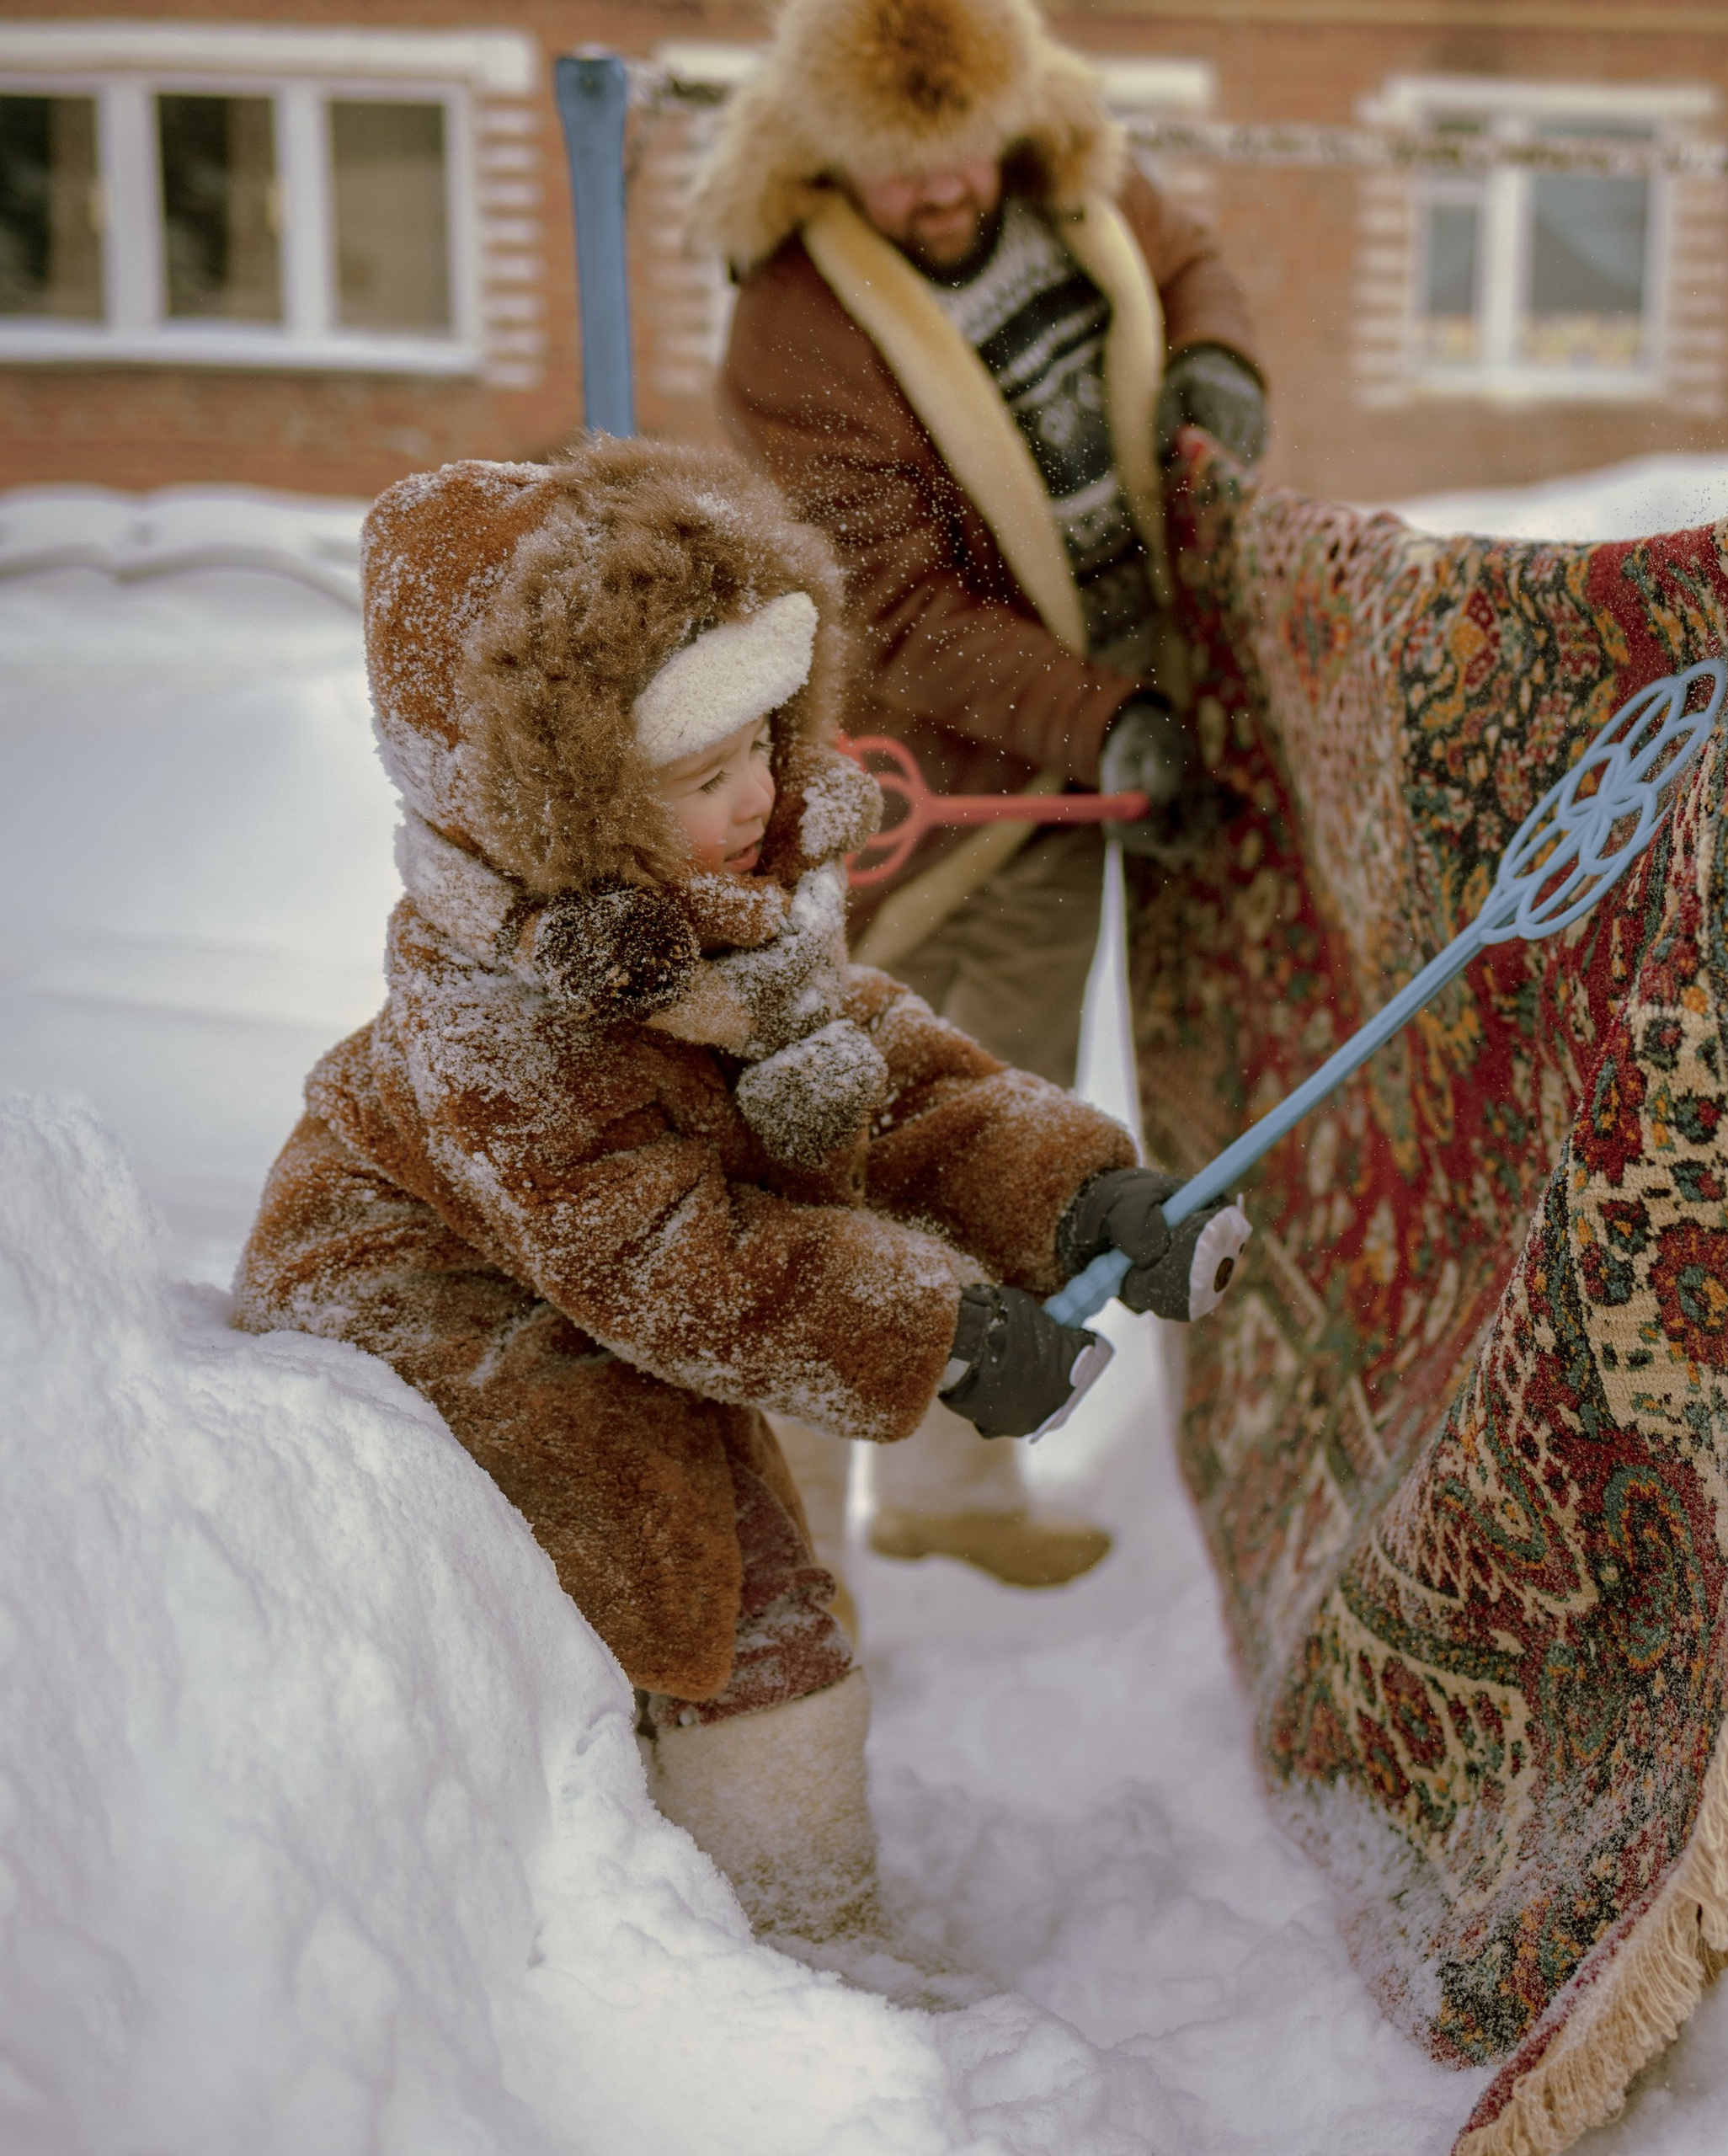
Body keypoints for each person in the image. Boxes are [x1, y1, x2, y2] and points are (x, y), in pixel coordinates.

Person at [230, 436, 1239, 1988]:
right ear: (558, 804)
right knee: (707, 1573)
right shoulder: (497, 1020)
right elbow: (660, 1261)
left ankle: (766, 1880)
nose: (764, 797)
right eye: (706, 777)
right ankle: (780, 1939)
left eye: (768, 741)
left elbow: (896, 1079)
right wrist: (940, 1332)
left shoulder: (731, 913)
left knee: (732, 1510)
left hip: (604, 1272)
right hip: (433, 1300)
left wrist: (1084, 1195)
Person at [696, 0, 1267, 1587]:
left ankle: (955, 1493)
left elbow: (1194, 263)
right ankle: (787, 1521)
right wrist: (1108, 722)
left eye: (962, 160)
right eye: (901, 176)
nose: (944, 197)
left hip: (1077, 756)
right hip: (939, 783)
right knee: (826, 1143)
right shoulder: (795, 323)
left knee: (1000, 1122)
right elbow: (896, 609)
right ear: (826, 159)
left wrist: (1216, 364)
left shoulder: (1078, 175)